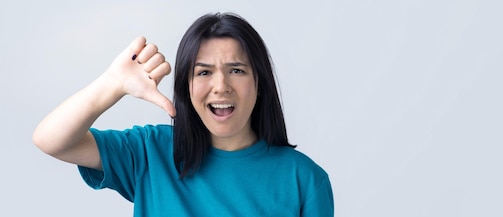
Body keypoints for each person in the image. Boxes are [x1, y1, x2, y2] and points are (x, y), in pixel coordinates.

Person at [32, 12, 333, 216]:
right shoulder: (151, 151)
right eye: (203, 72)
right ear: (186, 87)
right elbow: (52, 140)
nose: (220, 86)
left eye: (237, 70)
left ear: (259, 82)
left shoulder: (304, 180)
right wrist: (113, 84)